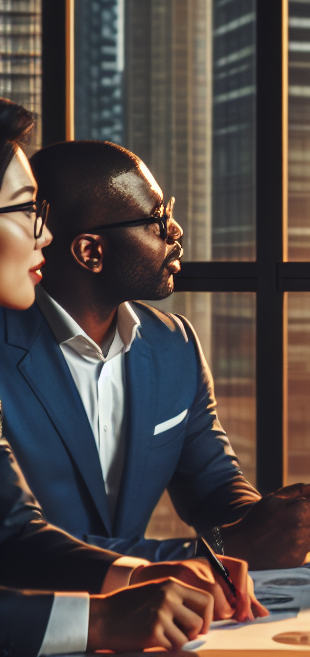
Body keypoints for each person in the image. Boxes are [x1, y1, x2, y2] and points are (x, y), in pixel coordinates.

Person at [0, 98, 264, 654]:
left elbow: (10, 530)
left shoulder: (174, 344)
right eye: (26, 212)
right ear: (91, 251)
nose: (42, 235)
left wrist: (253, 525)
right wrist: (110, 609)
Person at [0, 137, 310, 567]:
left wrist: (261, 518)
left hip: (147, 618)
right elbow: (17, 545)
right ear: (91, 252)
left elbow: (213, 487)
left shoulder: (175, 344)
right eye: (156, 220)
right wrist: (223, 550)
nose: (174, 232)